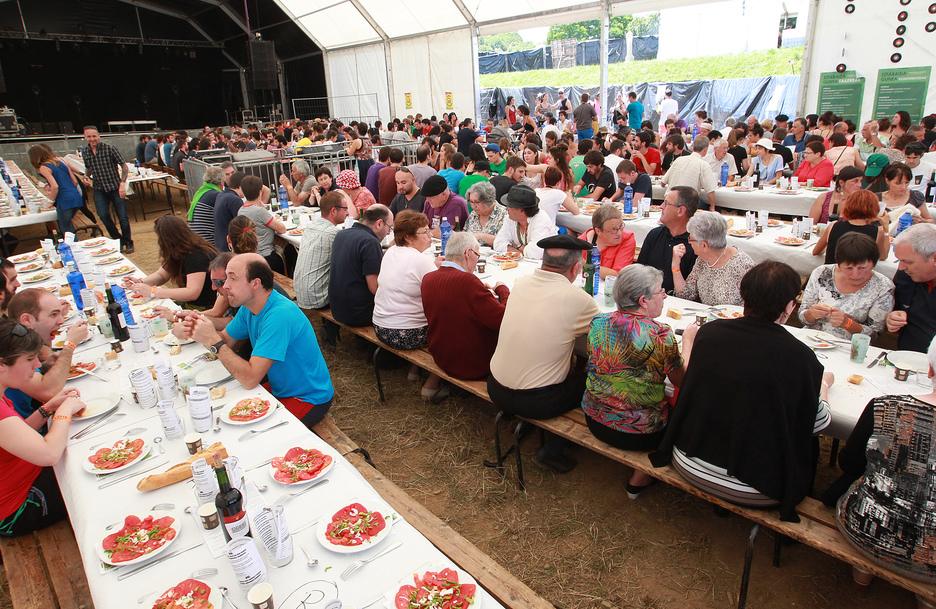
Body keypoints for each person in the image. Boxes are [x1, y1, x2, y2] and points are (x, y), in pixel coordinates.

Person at [650, 261, 834, 522]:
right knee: (809, 440)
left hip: (688, 461)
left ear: (744, 297)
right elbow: (818, 424)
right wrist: (824, 385)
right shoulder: (800, 357)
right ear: (788, 307)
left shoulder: (710, 333)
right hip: (757, 489)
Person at [821, 337, 936, 593]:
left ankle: (862, 574)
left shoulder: (885, 406)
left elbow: (850, 464)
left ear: (929, 369)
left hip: (865, 528)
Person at [489, 235, 600, 473]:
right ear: (576, 268)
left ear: (543, 261)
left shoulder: (522, 284)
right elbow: (599, 340)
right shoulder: (579, 299)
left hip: (496, 388)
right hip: (538, 401)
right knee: (595, 381)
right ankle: (554, 448)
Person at [584, 265, 698, 498]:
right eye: (661, 291)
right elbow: (681, 381)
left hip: (595, 419)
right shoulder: (661, 334)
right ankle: (642, 476)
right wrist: (688, 343)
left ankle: (639, 476)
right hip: (640, 432)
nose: (665, 296)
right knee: (688, 409)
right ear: (643, 300)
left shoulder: (598, 323)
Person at [184, 254, 334, 429]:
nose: (225, 286)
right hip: (282, 388)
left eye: (232, 278)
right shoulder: (251, 306)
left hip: (308, 397)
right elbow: (225, 340)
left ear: (255, 283)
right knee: (225, 413)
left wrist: (213, 341)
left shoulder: (279, 314)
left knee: (247, 433)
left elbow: (250, 377)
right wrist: (199, 330)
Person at [0, 319, 86, 537]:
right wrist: (64, 411)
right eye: (29, 359)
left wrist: (47, 408)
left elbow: (16, 434)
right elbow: (49, 454)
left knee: (80, 452)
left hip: (24, 482)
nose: (37, 365)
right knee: (87, 476)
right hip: (18, 509)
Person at [371, 210, 445, 399]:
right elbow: (441, 295)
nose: (430, 236)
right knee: (452, 320)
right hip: (405, 334)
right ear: (409, 238)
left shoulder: (391, 251)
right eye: (425, 232)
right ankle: (432, 384)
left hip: (381, 327)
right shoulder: (419, 260)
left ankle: (415, 370)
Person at [421, 231, 509, 380]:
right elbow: (503, 319)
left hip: (442, 356)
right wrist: (502, 290)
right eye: (477, 255)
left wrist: (479, 290)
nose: (477, 260)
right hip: (472, 365)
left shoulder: (428, 278)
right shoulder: (468, 282)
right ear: (468, 253)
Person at [5, 290, 89, 419]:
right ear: (27, 319)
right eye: (53, 314)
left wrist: (44, 367)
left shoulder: (23, 339)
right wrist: (70, 344)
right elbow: (49, 392)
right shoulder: (13, 348)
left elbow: (44, 356)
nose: (61, 321)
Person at [800, 232, 894, 341]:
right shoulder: (822, 273)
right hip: (811, 338)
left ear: (873, 264)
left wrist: (847, 323)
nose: (855, 274)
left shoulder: (883, 286)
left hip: (849, 346)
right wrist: (811, 314)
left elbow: (874, 334)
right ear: (839, 264)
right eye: (848, 268)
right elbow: (803, 318)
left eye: (863, 268)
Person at [124, 214, 218, 308]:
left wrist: (153, 291)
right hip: (195, 305)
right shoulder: (180, 251)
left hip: (206, 307)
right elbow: (161, 275)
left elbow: (192, 293)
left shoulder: (196, 256)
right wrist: (141, 282)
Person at [329, 205, 393, 328]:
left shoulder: (341, 234)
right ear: (379, 224)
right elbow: (375, 288)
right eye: (389, 227)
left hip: (337, 308)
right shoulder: (370, 241)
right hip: (358, 313)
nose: (389, 232)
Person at [672, 212, 755, 306]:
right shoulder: (702, 260)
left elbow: (754, 306)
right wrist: (675, 266)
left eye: (690, 239)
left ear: (704, 245)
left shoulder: (743, 265)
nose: (689, 243)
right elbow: (685, 296)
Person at [79, 126, 133, 253]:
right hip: (99, 188)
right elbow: (89, 167)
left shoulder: (109, 148)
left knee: (123, 217)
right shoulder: (85, 151)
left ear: (98, 135)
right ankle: (117, 239)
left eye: (94, 136)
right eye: (89, 136)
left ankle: (128, 242)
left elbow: (124, 165)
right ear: (85, 137)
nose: (92, 139)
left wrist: (122, 183)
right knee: (103, 215)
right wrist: (86, 175)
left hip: (114, 186)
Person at [637, 186, 698, 292]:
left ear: (680, 211)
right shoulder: (655, 234)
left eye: (666, 203)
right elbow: (640, 271)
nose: (661, 207)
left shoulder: (695, 244)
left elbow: (693, 291)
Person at [887, 224, 936, 352]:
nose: (901, 267)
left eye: (907, 262)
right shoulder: (906, 277)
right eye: (899, 261)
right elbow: (897, 311)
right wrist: (893, 318)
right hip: (904, 358)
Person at [813, 191, 889, 264]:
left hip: (833, 273)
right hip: (858, 275)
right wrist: (886, 230)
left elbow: (816, 251)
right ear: (875, 208)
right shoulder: (878, 232)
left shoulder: (833, 226)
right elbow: (883, 256)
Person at [493, 184, 558, 260]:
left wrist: (517, 246)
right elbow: (497, 243)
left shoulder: (541, 220)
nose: (506, 209)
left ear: (522, 210)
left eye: (510, 206)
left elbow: (536, 254)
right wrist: (518, 250)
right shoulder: (511, 218)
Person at [237, 175, 287, 273]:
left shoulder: (241, 210)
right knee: (290, 252)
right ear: (260, 192)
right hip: (266, 257)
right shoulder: (259, 211)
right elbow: (282, 229)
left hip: (251, 256)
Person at [578, 204, 635, 277]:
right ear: (598, 231)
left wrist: (585, 265)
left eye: (621, 227)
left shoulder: (627, 239)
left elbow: (619, 275)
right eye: (613, 230)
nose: (619, 233)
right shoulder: (582, 242)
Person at [661, 136, 717, 210]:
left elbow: (662, 183)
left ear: (693, 147)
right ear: (705, 149)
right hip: (686, 204)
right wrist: (712, 207)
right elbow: (710, 191)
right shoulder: (703, 165)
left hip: (669, 201)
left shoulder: (678, 160)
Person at [189, 165, 225, 244]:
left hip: (194, 237)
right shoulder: (216, 195)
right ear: (222, 181)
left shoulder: (202, 191)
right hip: (207, 240)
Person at [465, 181, 506, 247]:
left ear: (488, 201)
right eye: (471, 202)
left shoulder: (503, 214)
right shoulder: (474, 214)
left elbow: (505, 242)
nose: (473, 206)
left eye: (477, 202)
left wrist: (481, 236)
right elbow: (465, 234)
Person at [214, 171, 246, 252]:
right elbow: (243, 223)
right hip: (229, 247)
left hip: (220, 243)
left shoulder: (221, 195)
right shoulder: (235, 200)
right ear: (240, 185)